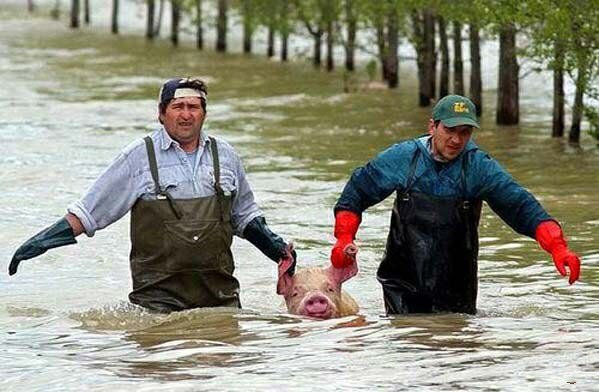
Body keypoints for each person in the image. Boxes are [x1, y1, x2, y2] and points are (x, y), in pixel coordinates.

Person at [9, 77, 295, 313]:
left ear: (204, 113)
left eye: (194, 107)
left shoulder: (227, 156)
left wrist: (279, 251)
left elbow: (245, 217)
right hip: (158, 304)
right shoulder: (138, 157)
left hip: (221, 298)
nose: (186, 114)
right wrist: (40, 242)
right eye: (177, 106)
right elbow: (90, 213)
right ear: (161, 113)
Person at [329, 95, 581, 315]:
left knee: (457, 351)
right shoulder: (403, 158)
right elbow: (358, 191)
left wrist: (558, 247)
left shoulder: (479, 167)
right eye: (450, 130)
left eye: (465, 132)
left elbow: (520, 206)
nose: (456, 140)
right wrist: (344, 237)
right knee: (407, 350)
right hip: (402, 281)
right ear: (433, 126)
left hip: (457, 284)